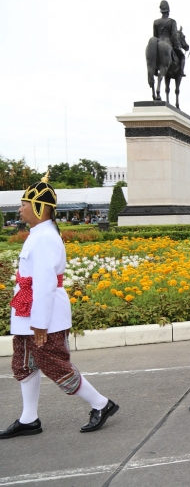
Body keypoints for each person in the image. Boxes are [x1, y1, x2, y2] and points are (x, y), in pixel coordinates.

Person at [1, 174, 119, 438]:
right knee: (23, 364)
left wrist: (40, 323)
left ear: (40, 208)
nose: (20, 208)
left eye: (24, 203)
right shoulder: (37, 235)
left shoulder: (45, 238)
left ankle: (101, 404)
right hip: (27, 313)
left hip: (43, 317)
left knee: (55, 365)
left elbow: (44, 284)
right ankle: (29, 419)